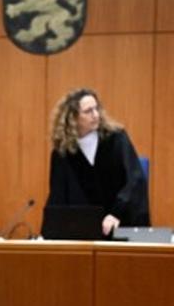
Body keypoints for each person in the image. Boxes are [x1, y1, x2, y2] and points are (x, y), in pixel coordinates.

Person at [46, 88, 149, 236]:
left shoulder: (116, 139)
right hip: (82, 232)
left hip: (122, 225)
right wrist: (50, 231)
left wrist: (116, 213)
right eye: (88, 111)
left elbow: (135, 180)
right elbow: (57, 197)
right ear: (73, 118)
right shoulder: (62, 153)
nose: (96, 115)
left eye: (96, 109)